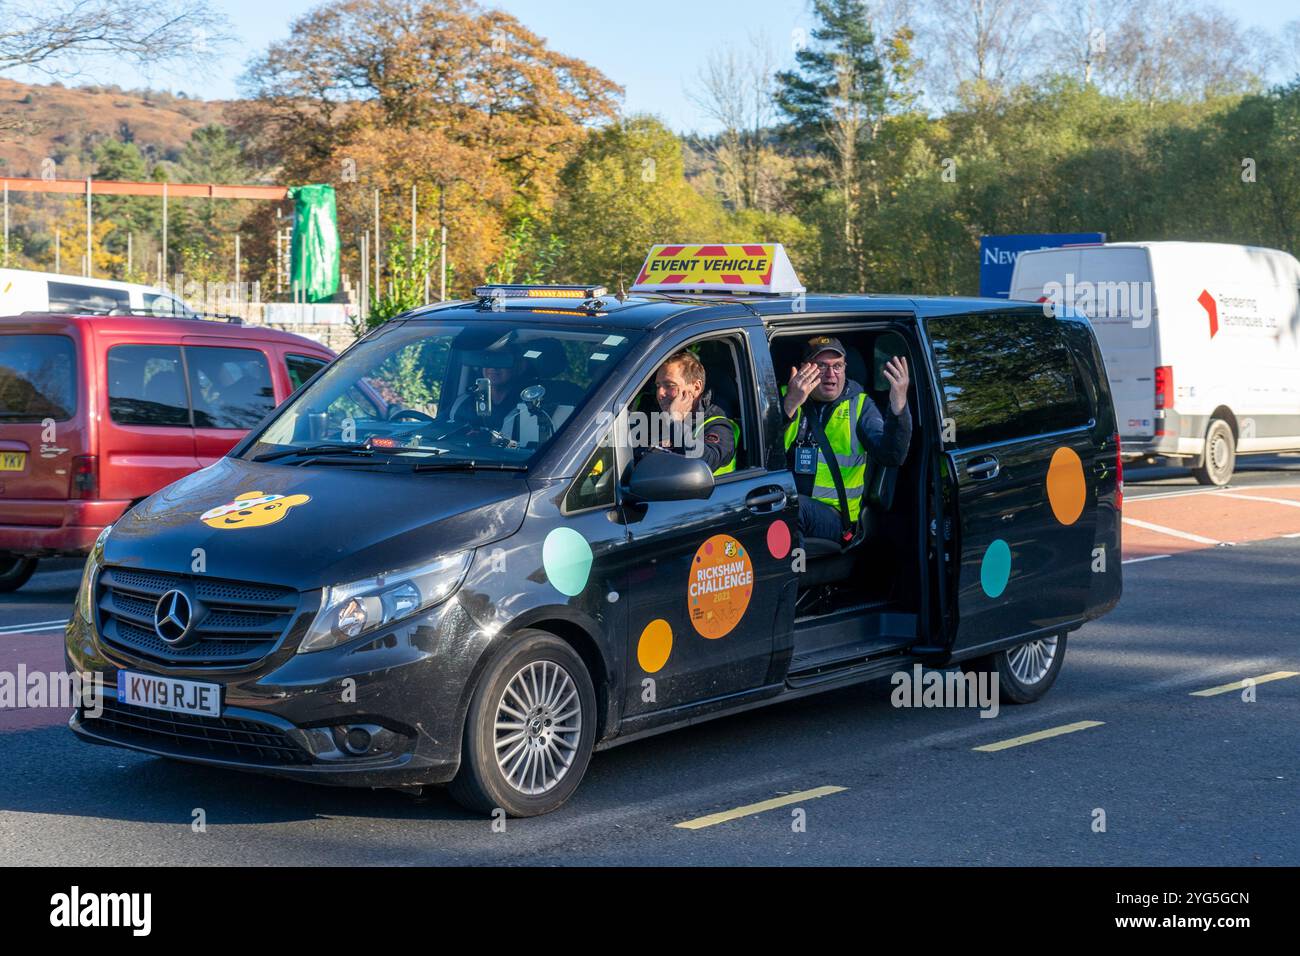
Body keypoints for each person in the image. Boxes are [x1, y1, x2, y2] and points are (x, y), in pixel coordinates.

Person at [781, 335, 911, 541]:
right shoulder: (786, 396)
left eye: (838, 366)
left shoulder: (859, 406)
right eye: (821, 366)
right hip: (785, 500)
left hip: (836, 518)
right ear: (804, 369)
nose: (831, 374)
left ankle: (795, 572)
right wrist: (789, 405)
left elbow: (892, 456)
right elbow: (763, 455)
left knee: (791, 509)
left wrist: (899, 408)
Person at [644, 350, 738, 476]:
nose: (660, 393)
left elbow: (704, 463)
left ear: (696, 387)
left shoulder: (719, 425)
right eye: (658, 385)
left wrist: (675, 421)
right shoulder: (654, 416)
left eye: (670, 385)